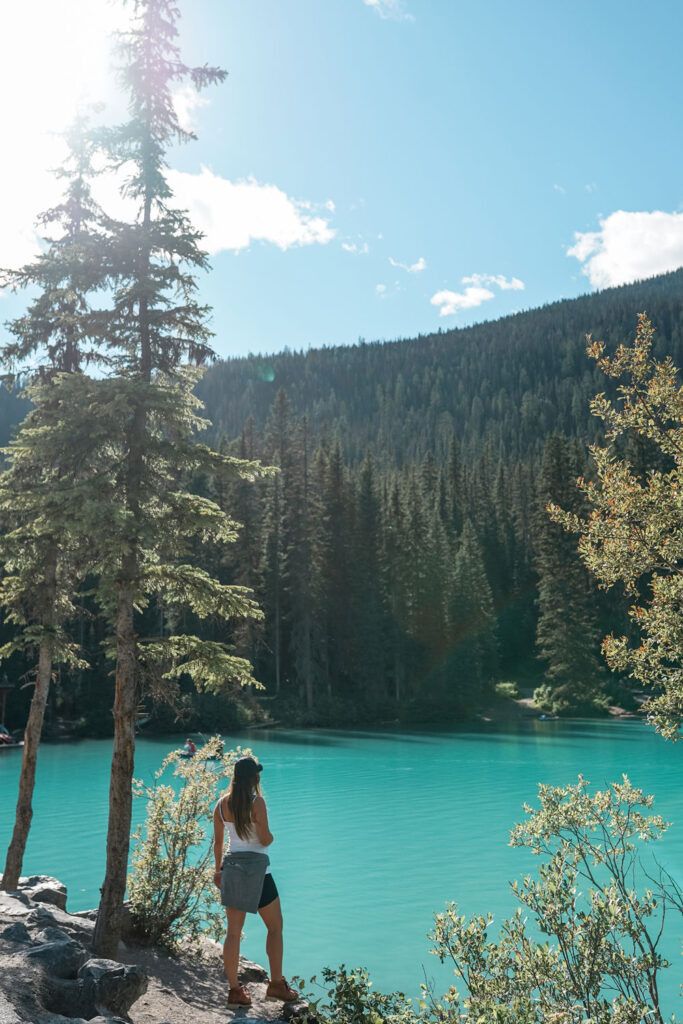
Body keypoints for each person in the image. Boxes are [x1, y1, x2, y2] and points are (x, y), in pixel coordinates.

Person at [213, 755, 297, 1008]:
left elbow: (218, 843)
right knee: (275, 928)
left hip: (232, 870)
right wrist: (270, 833)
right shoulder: (257, 803)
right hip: (260, 874)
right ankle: (276, 985)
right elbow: (265, 839)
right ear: (254, 778)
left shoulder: (220, 805)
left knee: (233, 934)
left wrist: (218, 871)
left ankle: (235, 991)